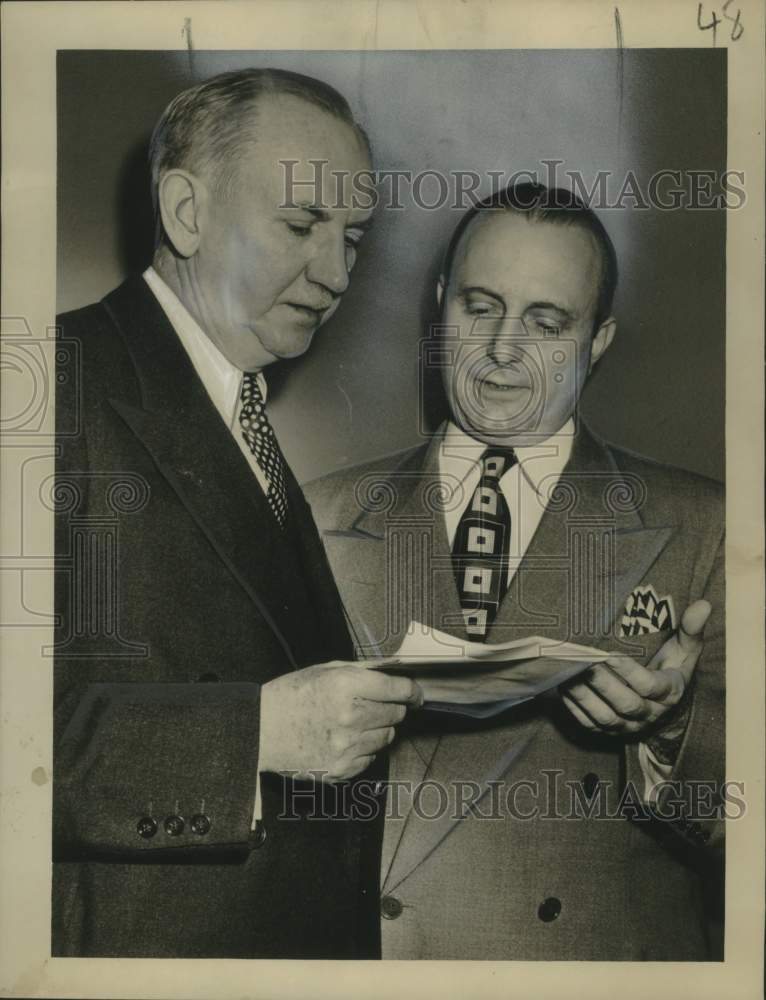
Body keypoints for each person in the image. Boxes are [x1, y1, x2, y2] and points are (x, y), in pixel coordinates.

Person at [52, 68, 421, 959]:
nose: (334, 274)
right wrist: (261, 734)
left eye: (354, 239)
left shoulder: (232, 406)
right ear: (186, 212)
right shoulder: (51, 382)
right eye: (301, 224)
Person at [305, 183, 725, 960]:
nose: (503, 347)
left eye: (546, 322)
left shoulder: (709, 528)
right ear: (439, 308)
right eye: (480, 306)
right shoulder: (318, 516)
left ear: (597, 341)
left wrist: (670, 733)